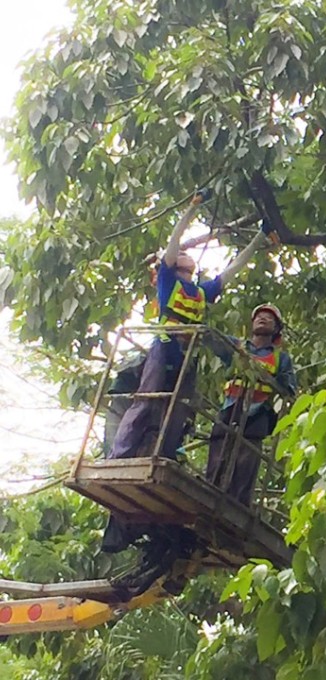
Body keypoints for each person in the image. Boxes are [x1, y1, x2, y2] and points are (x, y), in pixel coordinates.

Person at [101, 190, 275, 554]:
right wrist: (191, 208)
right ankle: (120, 455)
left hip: (186, 355)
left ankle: (166, 451)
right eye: (184, 259)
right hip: (163, 347)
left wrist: (259, 239)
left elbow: (232, 270)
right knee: (148, 402)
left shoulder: (199, 291)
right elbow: (172, 242)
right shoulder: (168, 281)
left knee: (178, 412)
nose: (187, 258)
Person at [206, 304, 296, 505]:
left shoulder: (280, 358)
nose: (263, 319)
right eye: (259, 317)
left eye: (269, 318)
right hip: (231, 406)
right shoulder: (237, 346)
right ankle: (210, 490)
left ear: (276, 329)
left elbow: (289, 388)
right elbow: (213, 340)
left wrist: (271, 380)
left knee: (247, 460)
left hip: (258, 411)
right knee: (219, 453)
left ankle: (238, 503)